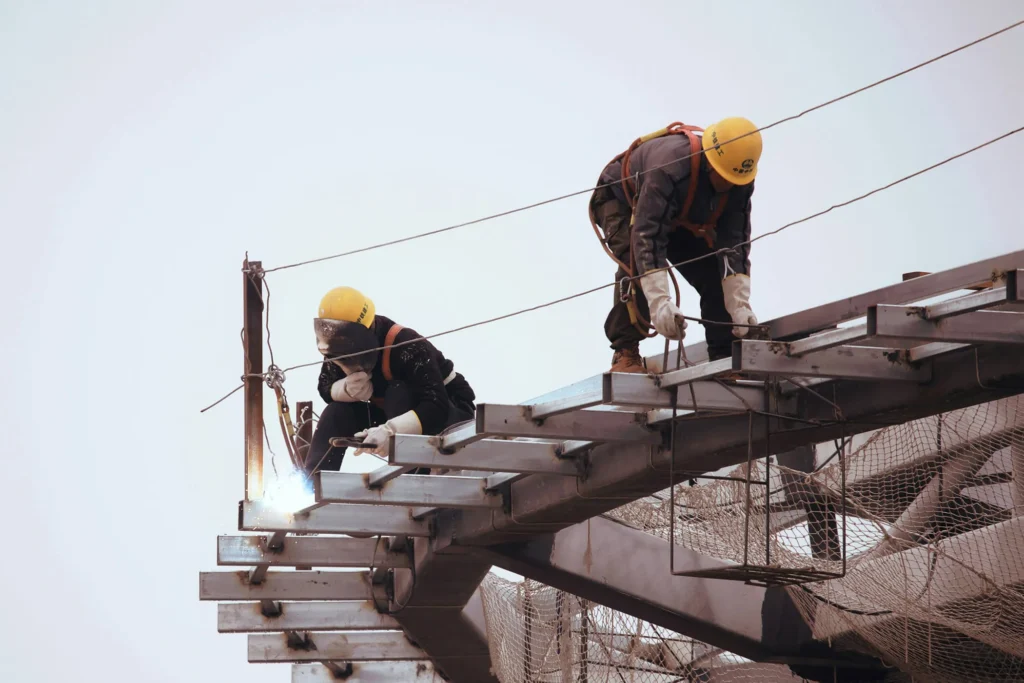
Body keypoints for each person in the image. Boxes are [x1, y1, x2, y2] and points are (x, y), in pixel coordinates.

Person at [589, 117, 763, 373]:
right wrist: (660, 304)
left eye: (733, 181)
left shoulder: (739, 180)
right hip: (622, 200)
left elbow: (733, 244)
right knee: (635, 262)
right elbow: (647, 238)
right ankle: (625, 353)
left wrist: (739, 304)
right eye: (722, 177)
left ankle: (725, 357)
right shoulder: (671, 167)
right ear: (709, 163)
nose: (727, 185)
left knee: (713, 274)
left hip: (676, 214)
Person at [303, 286, 476, 477]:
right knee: (337, 412)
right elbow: (325, 387)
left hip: (449, 416)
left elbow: (437, 405)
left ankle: (415, 478)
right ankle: (312, 486)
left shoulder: (405, 344)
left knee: (397, 393)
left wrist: (390, 431)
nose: (342, 361)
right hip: (394, 415)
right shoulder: (337, 349)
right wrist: (344, 390)